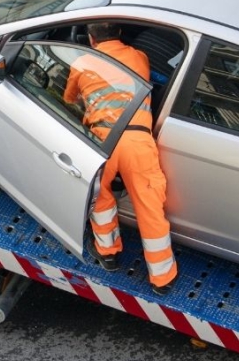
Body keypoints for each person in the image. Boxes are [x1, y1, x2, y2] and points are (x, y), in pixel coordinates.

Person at [63, 23, 178, 295]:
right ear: (120, 34)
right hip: (137, 140)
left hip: (102, 140)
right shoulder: (140, 57)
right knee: (149, 207)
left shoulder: (82, 63)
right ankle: (162, 278)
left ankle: (108, 254)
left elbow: (69, 99)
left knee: (100, 198)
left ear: (91, 39)